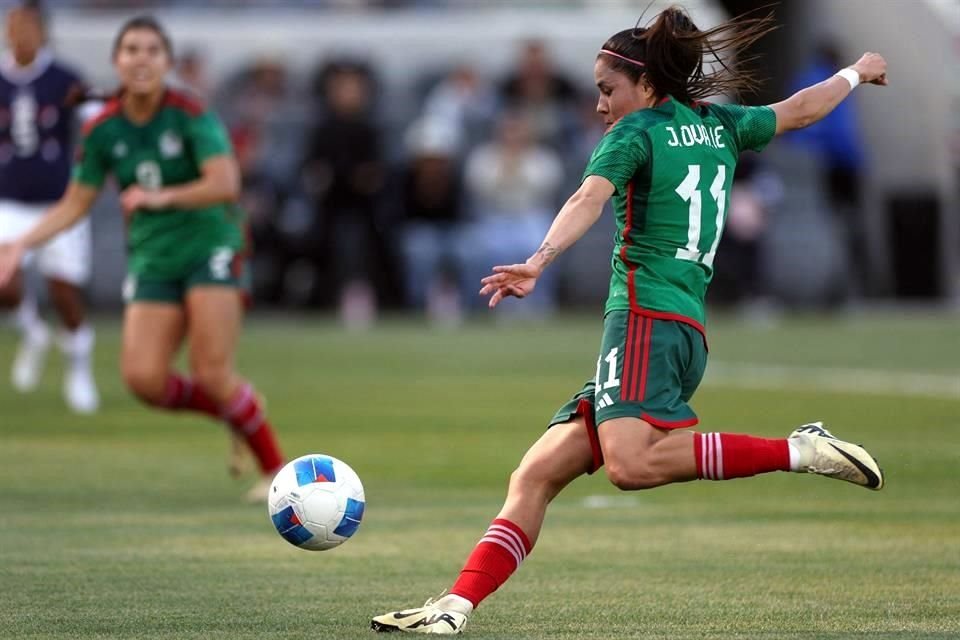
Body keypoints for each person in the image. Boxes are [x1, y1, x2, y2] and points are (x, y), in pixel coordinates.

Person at [371, 6, 888, 634]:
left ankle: (800, 450)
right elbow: (801, 109)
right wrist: (856, 74)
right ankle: (453, 609)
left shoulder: (636, 134)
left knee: (631, 466)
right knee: (534, 475)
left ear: (646, 86)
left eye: (607, 89)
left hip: (645, 319)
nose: (599, 106)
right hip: (681, 330)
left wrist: (539, 260)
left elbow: (587, 196)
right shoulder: (721, 124)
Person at [0, 15, 285, 502]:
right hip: (154, 257)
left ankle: (276, 472)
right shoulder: (103, 129)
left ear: (167, 62)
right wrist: (20, 243)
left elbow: (225, 183)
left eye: (153, 50)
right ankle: (238, 408)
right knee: (144, 380)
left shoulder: (189, 111)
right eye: (131, 49)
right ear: (117, 61)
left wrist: (161, 197)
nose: (141, 58)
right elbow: (75, 202)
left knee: (212, 371)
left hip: (210, 246)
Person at [0, 1, 100, 413]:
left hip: (59, 204)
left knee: (65, 293)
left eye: (28, 27)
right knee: (4, 285)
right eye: (13, 26)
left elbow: (98, 120)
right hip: (9, 201)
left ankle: (78, 365)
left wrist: (95, 164)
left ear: (43, 33)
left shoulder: (65, 78)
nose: (20, 34)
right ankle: (32, 330)